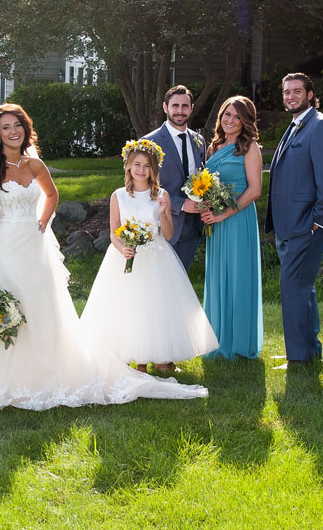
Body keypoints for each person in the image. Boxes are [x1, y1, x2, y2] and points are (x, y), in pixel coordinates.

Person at [0, 104, 207, 410]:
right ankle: (12, 383)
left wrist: (44, 220)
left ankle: (49, 375)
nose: (13, 131)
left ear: (25, 127)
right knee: (14, 313)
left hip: (36, 248)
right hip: (7, 250)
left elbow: (52, 195)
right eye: (5, 127)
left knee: (44, 311)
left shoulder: (35, 165)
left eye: (17, 125)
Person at [80, 140, 217, 371]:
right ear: (128, 167)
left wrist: (164, 212)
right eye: (137, 165)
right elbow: (114, 231)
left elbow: (169, 234)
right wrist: (122, 248)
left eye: (147, 166)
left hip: (156, 255)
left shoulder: (161, 195)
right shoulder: (118, 196)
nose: (142, 170)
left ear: (154, 169)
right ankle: (133, 357)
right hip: (126, 256)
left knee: (155, 306)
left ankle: (160, 355)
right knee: (128, 306)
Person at [266, 72, 323, 368]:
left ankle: (298, 358)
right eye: (286, 92)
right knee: (302, 289)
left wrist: (319, 220)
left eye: (297, 91)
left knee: (293, 289)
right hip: (291, 224)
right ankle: (308, 350)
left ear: (310, 94)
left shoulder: (320, 125)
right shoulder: (297, 125)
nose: (290, 96)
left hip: (306, 224)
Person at [201, 96, 266, 360]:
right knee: (218, 277)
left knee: (239, 276)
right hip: (215, 221)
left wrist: (225, 213)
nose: (230, 120)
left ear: (245, 121)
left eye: (237, 117)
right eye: (227, 114)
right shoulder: (213, 148)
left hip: (238, 219)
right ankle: (216, 340)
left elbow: (255, 190)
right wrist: (206, 205)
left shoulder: (250, 148)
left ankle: (239, 342)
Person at [141, 84, 207, 269]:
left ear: (192, 109)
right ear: (165, 107)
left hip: (192, 228)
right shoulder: (149, 142)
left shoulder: (199, 141)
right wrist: (181, 204)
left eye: (185, 106)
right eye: (175, 106)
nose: (180, 111)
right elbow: (142, 186)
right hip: (162, 225)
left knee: (181, 283)